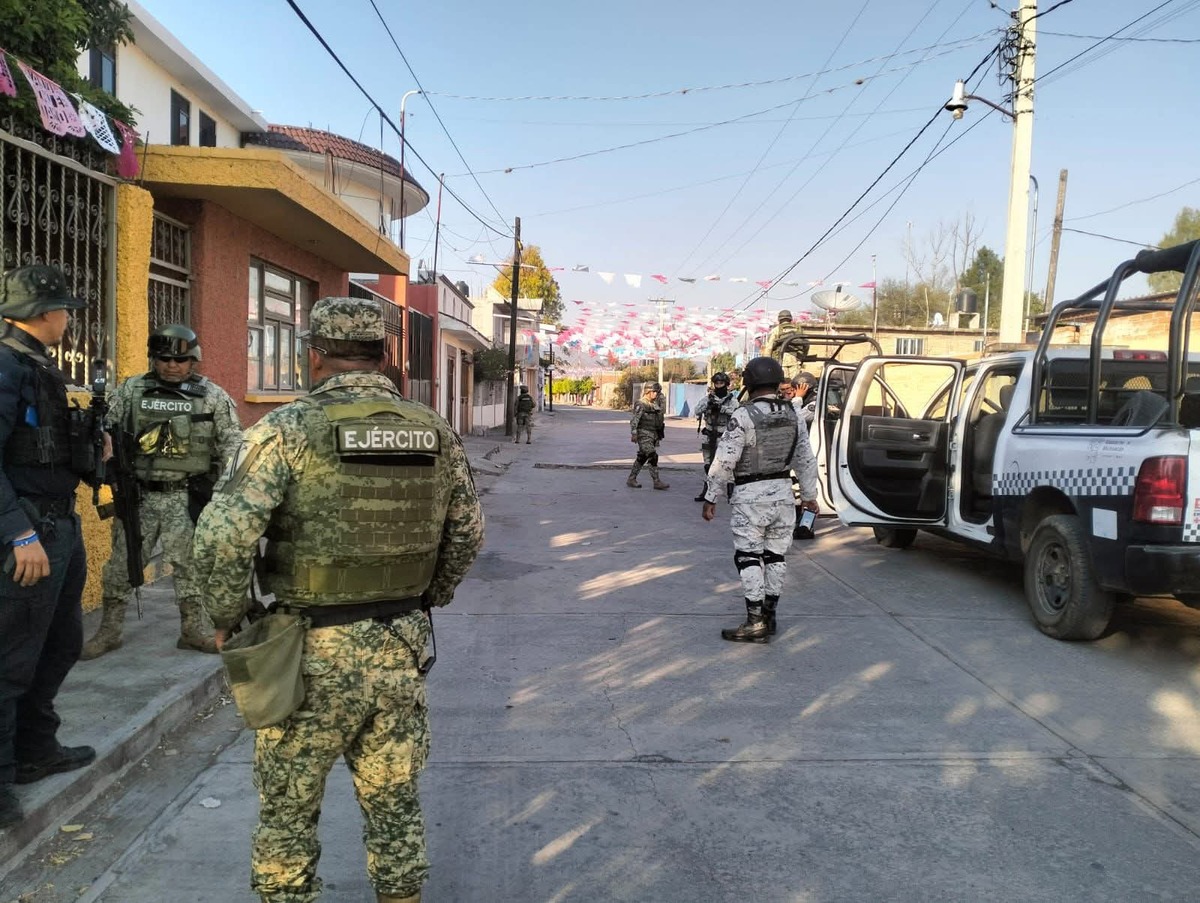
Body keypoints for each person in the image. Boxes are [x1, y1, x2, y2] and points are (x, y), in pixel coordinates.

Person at [191, 296, 484, 903]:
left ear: (316, 356)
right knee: (394, 800)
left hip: (309, 652)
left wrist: (230, 619)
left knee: (289, 812)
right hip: (400, 644)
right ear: (382, 355)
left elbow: (222, 537)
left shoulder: (285, 429)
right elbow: (468, 531)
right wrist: (432, 594)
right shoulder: (433, 429)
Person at [0, 265, 105, 828]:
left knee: (61, 643)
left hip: (58, 524)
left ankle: (36, 749)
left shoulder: (42, 367)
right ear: (43, 313)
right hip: (28, 533)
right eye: (65, 309)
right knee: (10, 658)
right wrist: (19, 534)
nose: (69, 317)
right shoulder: (5, 364)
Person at [81, 324, 243, 659]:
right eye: (164, 358)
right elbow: (103, 428)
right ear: (153, 359)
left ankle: (192, 630)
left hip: (186, 498)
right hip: (139, 497)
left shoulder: (211, 396)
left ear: (192, 360)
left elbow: (232, 447)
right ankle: (109, 631)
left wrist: (231, 497)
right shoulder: (131, 391)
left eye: (180, 359)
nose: (172, 365)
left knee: (190, 568)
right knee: (122, 565)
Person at [701, 356, 819, 643]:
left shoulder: (743, 415)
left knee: (748, 557)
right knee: (776, 557)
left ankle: (754, 621)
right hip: (782, 496)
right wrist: (809, 497)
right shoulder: (793, 414)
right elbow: (805, 459)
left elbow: (724, 461)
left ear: (749, 382)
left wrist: (711, 496)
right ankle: (770, 615)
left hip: (750, 498)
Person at [694, 372, 738, 501]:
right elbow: (696, 411)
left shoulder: (732, 401)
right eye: (716, 383)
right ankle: (707, 491)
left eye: (721, 383)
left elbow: (737, 414)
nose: (719, 386)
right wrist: (708, 405)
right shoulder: (708, 398)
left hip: (724, 436)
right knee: (708, 465)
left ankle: (731, 494)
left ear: (726, 384)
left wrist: (722, 409)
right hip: (708, 435)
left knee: (727, 465)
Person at [627, 381, 669, 490]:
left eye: (657, 392)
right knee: (652, 455)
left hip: (653, 434)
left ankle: (631, 478)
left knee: (642, 457)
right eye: (654, 392)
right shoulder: (641, 404)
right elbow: (634, 420)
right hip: (643, 433)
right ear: (647, 391)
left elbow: (662, 412)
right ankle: (656, 481)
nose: (656, 394)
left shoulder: (654, 403)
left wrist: (662, 399)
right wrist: (634, 433)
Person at [765, 310, 809, 378]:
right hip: (795, 360)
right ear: (790, 319)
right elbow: (806, 345)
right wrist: (803, 356)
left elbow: (769, 348)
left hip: (780, 360)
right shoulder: (798, 330)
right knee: (794, 384)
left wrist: (767, 363)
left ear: (779, 319)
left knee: (782, 384)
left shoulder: (776, 330)